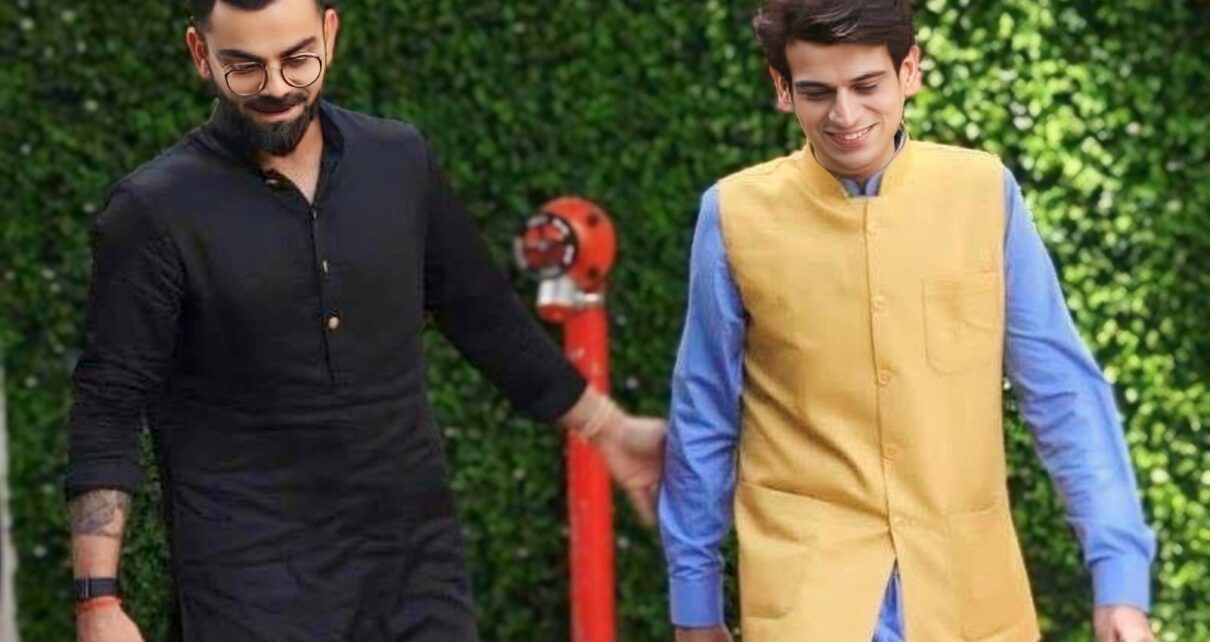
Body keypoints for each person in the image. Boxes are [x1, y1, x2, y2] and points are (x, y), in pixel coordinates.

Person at [64, 1, 664, 640]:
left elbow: (484, 317)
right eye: (245, 66)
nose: (277, 88)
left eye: (298, 60)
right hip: (249, 587)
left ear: (330, 33)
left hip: (415, 570)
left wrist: (608, 428)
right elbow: (108, 403)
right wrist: (98, 601)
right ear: (199, 54)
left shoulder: (398, 160)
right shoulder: (153, 210)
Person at [658, 2, 1157, 641]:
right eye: (817, 92)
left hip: (968, 595)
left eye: (867, 85)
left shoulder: (983, 193)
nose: (845, 115)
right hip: (809, 602)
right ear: (783, 89)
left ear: (909, 72)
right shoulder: (735, 214)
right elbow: (704, 412)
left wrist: (1119, 580)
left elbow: (1062, 392)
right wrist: (694, 602)